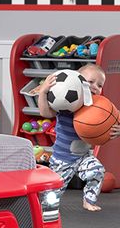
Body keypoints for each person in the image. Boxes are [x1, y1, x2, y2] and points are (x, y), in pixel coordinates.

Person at [37, 63, 120, 211]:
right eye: (90, 82)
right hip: (63, 159)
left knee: (97, 171)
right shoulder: (65, 105)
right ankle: (43, 207)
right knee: (53, 193)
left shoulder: (98, 108)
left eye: (100, 85)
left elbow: (112, 121)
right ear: (77, 81)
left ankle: (89, 200)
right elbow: (45, 113)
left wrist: (116, 130)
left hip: (84, 156)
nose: (95, 87)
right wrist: (43, 92)